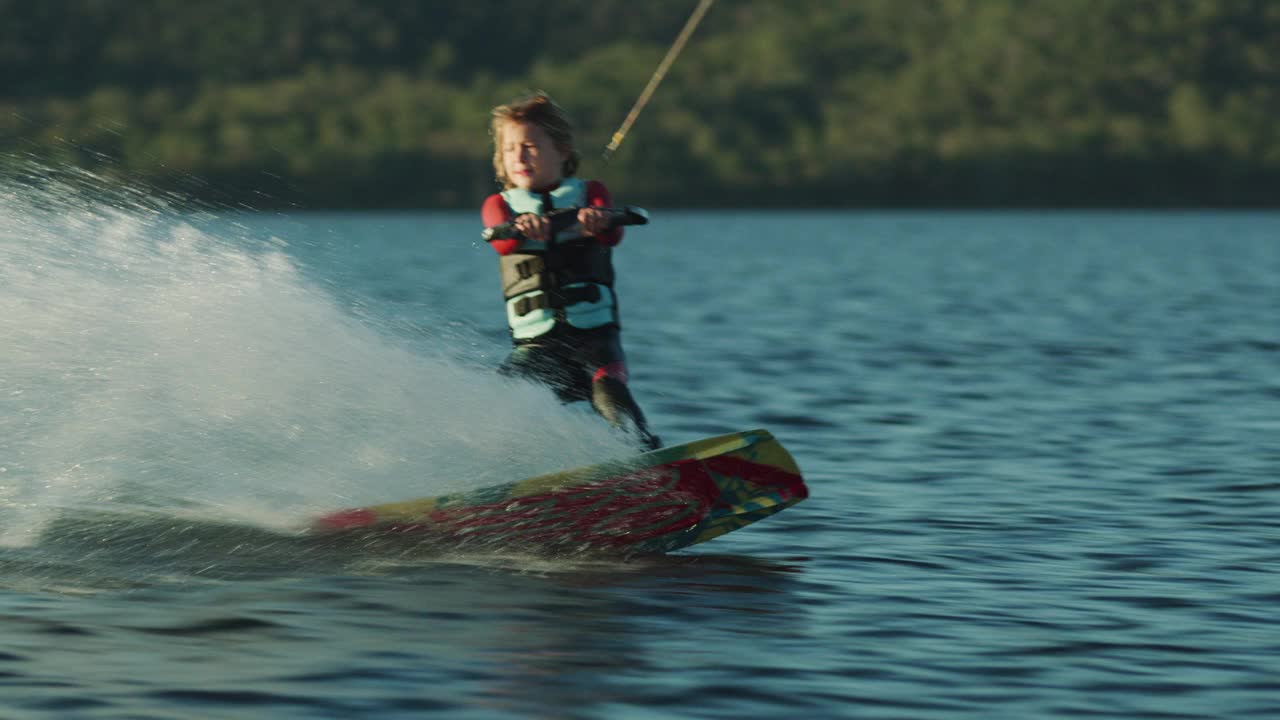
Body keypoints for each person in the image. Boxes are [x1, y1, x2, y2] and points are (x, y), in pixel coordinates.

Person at [480, 91, 661, 450]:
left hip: (595, 345)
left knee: (611, 393)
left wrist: (598, 220)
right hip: (537, 347)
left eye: (530, 145)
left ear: (562, 150)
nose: (519, 156)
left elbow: (614, 233)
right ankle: (497, 473)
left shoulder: (590, 193)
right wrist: (522, 228)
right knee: (500, 401)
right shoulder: (499, 206)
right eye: (510, 149)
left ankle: (646, 456)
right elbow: (500, 241)